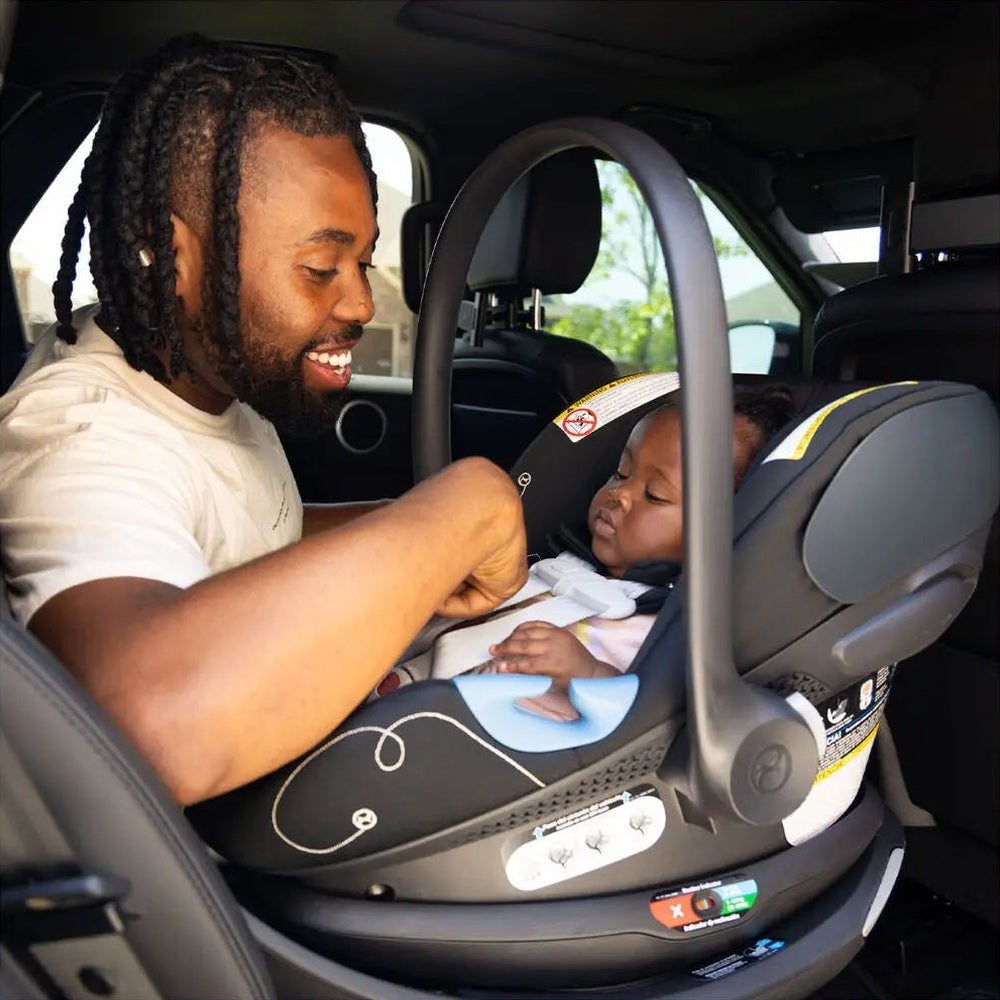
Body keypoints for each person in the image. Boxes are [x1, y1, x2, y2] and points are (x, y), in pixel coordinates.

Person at [0, 35, 527, 806]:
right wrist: (465, 508)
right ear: (165, 252)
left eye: (361, 262)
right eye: (319, 269)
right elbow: (148, 725)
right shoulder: (80, 436)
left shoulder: (199, 372)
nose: (358, 304)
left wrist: (402, 534)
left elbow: (234, 534)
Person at [376, 385, 794, 720]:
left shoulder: (663, 629)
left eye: (654, 495)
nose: (620, 494)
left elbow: (654, 719)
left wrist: (588, 673)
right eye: (621, 472)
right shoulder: (554, 567)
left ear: (722, 534)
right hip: (401, 689)